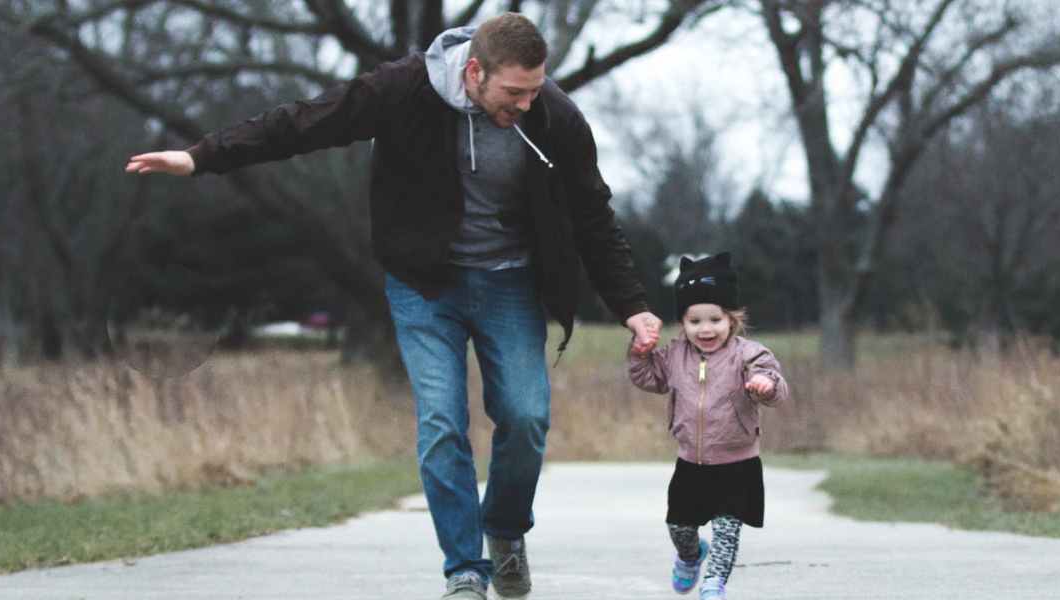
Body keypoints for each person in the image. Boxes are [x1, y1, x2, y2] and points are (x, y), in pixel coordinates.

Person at [124, 12, 662, 600]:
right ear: (474, 72)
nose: (526, 105)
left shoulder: (555, 115)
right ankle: (464, 569)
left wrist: (631, 305)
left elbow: (592, 214)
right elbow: (305, 122)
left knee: (527, 418)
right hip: (425, 285)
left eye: (535, 90)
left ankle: (505, 532)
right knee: (440, 423)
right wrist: (201, 157)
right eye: (514, 93)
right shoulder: (403, 89)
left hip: (510, 283)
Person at [628, 253, 788, 600]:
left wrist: (765, 384)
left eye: (715, 319)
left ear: (732, 319)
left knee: (728, 531)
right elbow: (646, 377)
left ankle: (714, 585)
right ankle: (690, 555)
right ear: (683, 324)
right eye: (694, 321)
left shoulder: (748, 354)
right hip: (691, 464)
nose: (705, 329)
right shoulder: (674, 356)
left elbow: (776, 384)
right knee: (679, 527)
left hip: (738, 464)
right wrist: (640, 352)